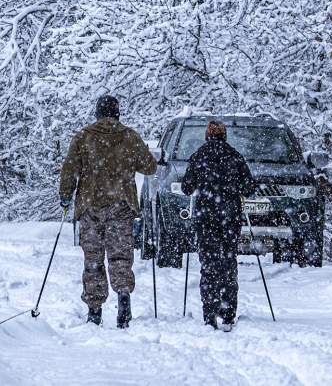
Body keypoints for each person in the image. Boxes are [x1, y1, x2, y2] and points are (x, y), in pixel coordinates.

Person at [59, 95, 157, 328]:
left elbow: (70, 169)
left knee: (93, 258)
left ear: (97, 113)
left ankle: (94, 309)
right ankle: (123, 300)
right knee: (120, 255)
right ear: (117, 113)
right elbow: (149, 166)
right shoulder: (129, 136)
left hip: (90, 205)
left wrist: (65, 195)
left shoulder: (84, 137)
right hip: (121, 206)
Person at [180, 120, 257, 331]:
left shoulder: (198, 156)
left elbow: (187, 188)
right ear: (225, 136)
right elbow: (249, 187)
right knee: (228, 263)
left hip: (206, 218)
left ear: (207, 136)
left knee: (209, 265)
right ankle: (228, 312)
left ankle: (210, 312)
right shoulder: (234, 156)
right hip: (229, 219)